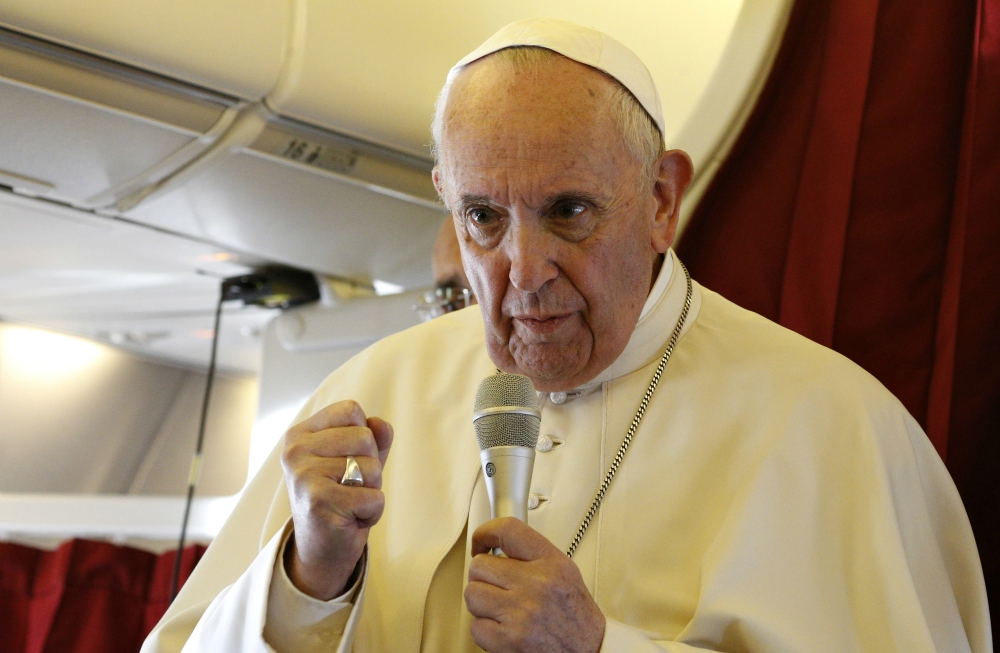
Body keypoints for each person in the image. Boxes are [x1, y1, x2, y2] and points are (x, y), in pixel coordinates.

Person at [143, 18, 991, 653]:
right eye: (482, 217)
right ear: (446, 197)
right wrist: (306, 579)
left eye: (569, 211)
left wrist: (598, 645)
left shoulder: (831, 421)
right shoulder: (370, 395)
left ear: (662, 199)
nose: (524, 269)